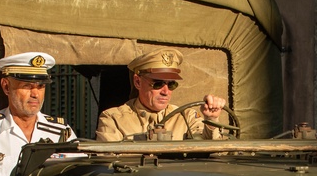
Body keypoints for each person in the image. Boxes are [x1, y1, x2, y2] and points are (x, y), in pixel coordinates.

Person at [95, 48, 228, 141]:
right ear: (137, 81)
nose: (165, 91)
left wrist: (211, 121)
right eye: (158, 84)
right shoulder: (114, 119)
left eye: (171, 84)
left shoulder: (186, 118)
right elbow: (109, 165)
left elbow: (211, 152)